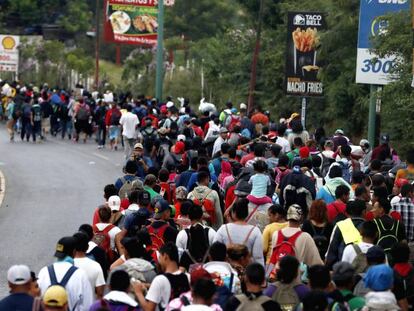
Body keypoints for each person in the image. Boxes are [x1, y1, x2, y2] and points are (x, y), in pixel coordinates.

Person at [37, 236, 94, 311]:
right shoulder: (80, 274)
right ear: (74, 252)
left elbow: (38, 301)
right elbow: (88, 305)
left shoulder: (43, 272)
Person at [134, 243, 191, 311]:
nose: (159, 261)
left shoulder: (159, 280)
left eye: (160, 257)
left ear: (165, 256)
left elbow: (149, 309)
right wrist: (148, 285)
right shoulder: (187, 277)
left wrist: (138, 292)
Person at [269, 204, 323, 275]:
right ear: (301, 218)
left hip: (277, 277)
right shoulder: (305, 237)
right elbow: (316, 263)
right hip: (294, 279)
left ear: (287, 217)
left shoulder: (276, 234)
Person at [214, 198, 264, 265]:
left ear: (234, 213)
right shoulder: (255, 231)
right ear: (247, 214)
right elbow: (258, 257)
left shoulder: (223, 229)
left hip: (227, 270)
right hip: (246, 271)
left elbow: (215, 250)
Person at [325, 200, 367, 270]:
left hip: (344, 271)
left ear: (347, 213)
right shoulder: (369, 226)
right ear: (364, 212)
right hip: (365, 270)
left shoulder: (340, 225)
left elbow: (332, 251)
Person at [176, 204, 216, 271]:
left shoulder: (182, 234)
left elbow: (179, 257)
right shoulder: (211, 232)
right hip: (207, 273)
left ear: (188, 216)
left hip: (189, 275)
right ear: (202, 216)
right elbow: (215, 255)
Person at [72, 232, 105, 299]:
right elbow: (100, 293)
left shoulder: (67, 265)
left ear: (73, 248)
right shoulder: (95, 265)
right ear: (87, 247)